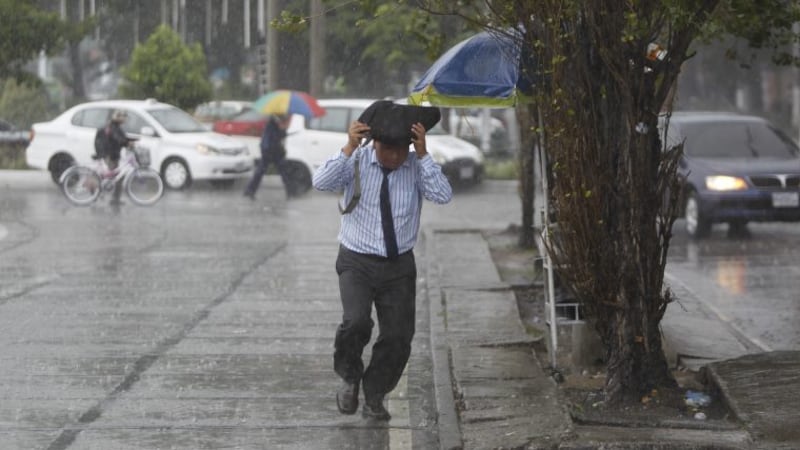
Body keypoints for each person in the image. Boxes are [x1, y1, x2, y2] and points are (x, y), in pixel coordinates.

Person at [312, 100, 452, 421]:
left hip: (398, 266)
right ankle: (349, 377)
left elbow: (443, 195)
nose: (393, 156)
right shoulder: (357, 160)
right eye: (386, 149)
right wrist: (348, 146)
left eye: (400, 150)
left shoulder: (416, 167)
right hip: (356, 261)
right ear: (373, 142)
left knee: (399, 337)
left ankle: (374, 393)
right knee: (356, 322)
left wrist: (424, 155)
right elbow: (321, 182)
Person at [243, 114, 292, 199]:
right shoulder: (274, 121)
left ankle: (250, 190)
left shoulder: (275, 121)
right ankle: (250, 190)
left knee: (265, 171)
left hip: (271, 149)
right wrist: (283, 130)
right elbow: (276, 135)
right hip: (270, 149)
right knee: (281, 170)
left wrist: (283, 130)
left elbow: (277, 135)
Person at [97, 109, 135, 205]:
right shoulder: (112, 126)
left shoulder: (115, 126)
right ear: (116, 117)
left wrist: (133, 140)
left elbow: (122, 138)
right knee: (112, 176)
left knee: (117, 176)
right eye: (122, 116)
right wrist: (127, 143)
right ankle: (110, 196)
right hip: (109, 154)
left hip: (113, 153)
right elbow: (118, 138)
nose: (124, 119)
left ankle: (115, 199)